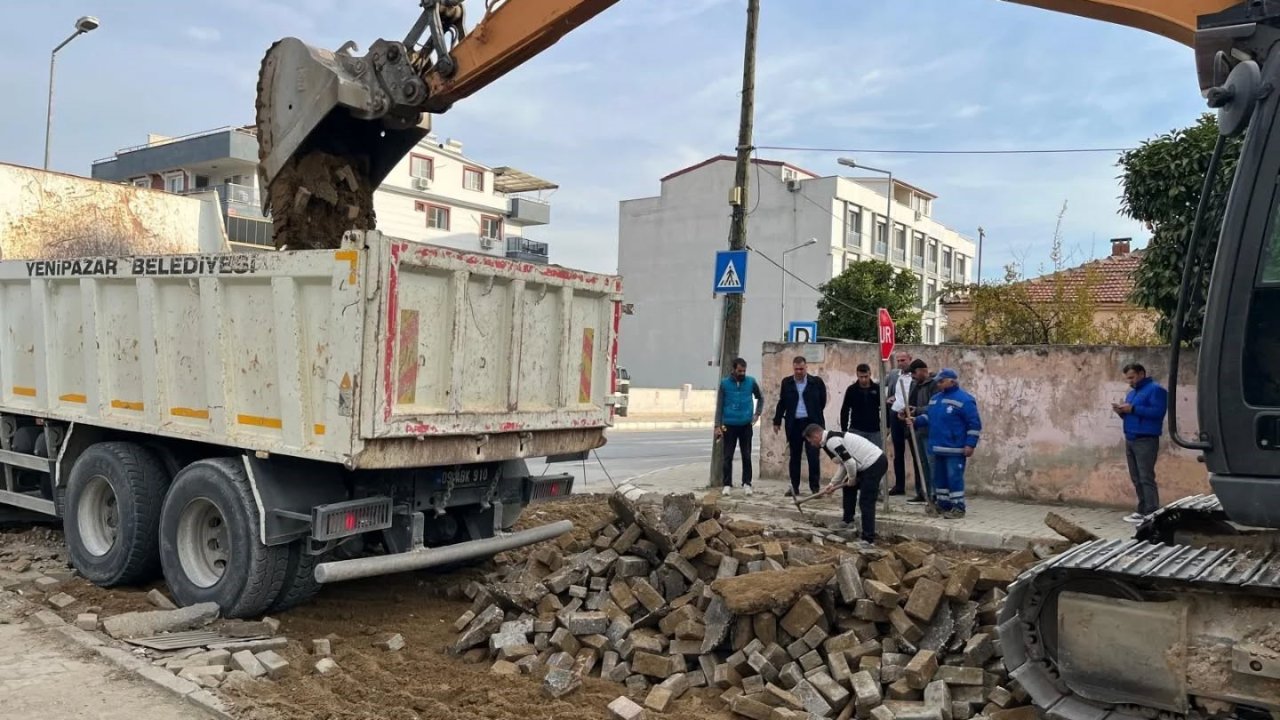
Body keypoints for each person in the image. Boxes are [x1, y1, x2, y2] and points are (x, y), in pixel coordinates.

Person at [911, 368, 981, 519]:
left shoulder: (965, 400)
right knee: (939, 479)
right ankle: (943, 505)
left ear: (952, 381)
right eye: (938, 382)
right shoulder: (935, 399)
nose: (938, 384)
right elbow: (930, 418)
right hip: (937, 447)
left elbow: (974, 424)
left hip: (955, 448)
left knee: (954, 478)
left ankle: (958, 507)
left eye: (941, 381)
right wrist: (915, 421)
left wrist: (970, 444)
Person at [805, 423, 887, 546]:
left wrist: (852, 479)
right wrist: (833, 484)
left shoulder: (832, 442)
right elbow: (844, 464)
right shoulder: (831, 440)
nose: (812, 444)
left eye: (810, 441)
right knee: (849, 489)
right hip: (867, 464)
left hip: (874, 463)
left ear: (816, 435)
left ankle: (868, 539)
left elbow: (850, 462)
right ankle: (848, 521)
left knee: (866, 501)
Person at [1112, 362, 1168, 522]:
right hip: (1131, 438)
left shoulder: (1156, 390)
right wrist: (1121, 412)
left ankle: (1151, 511)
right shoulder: (1132, 394)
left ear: (1141, 374)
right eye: (1128, 379)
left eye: (1132, 377)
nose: (1130, 381)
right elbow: (1131, 415)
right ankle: (1142, 509)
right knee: (1136, 477)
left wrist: (1134, 409)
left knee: (1146, 477)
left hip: (1146, 439)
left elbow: (1158, 412)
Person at [772, 356, 827, 497]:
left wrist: (816, 418)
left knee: (813, 456)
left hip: (812, 424)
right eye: (796, 369)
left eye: (801, 369)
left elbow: (822, 401)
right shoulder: (787, 383)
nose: (799, 372)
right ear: (793, 368)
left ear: (806, 367)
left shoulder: (816, 382)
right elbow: (782, 403)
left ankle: (815, 488)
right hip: (794, 424)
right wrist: (777, 420)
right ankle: (794, 488)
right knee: (794, 457)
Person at [715, 357, 763, 496]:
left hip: (745, 425)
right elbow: (719, 405)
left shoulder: (751, 382)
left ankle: (747, 483)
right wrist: (717, 425)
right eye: (739, 370)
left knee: (746, 455)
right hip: (728, 425)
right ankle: (727, 484)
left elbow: (760, 397)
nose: (742, 373)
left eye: (744, 371)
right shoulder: (724, 384)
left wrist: (757, 414)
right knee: (727, 456)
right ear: (733, 369)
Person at [901, 359, 937, 508]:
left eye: (914, 373)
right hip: (916, 429)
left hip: (930, 431)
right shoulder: (915, 385)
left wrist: (918, 411)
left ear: (923, 371)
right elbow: (912, 404)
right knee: (922, 464)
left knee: (931, 464)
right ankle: (925, 493)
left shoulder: (934, 385)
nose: (913, 377)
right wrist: (906, 411)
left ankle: (934, 495)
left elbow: (934, 407)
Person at [884, 352, 919, 496]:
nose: (900, 363)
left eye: (903, 360)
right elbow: (883, 384)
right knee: (898, 452)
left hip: (910, 416)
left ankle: (920, 488)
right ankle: (899, 486)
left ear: (910, 359)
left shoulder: (916, 376)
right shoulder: (894, 374)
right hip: (895, 414)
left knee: (916, 451)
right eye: (898, 360)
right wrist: (888, 398)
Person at [840, 363, 882, 447]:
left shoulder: (877, 389)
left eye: (866, 376)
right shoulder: (851, 390)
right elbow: (845, 409)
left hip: (874, 431)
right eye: (861, 377)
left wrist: (887, 426)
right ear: (857, 375)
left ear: (870, 374)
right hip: (856, 430)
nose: (863, 379)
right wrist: (844, 430)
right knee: (856, 457)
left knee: (877, 457)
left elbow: (885, 408)